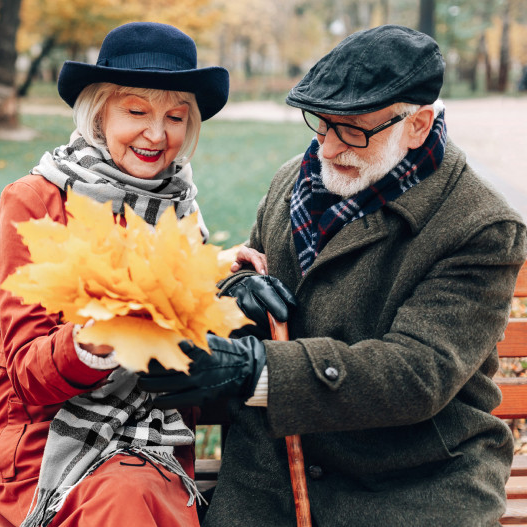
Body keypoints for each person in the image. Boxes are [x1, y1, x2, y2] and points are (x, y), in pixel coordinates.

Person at [139, 25, 527, 525]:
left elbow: (418, 372)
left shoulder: (480, 226)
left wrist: (257, 372)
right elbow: (242, 269)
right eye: (321, 124)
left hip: (413, 479)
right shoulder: (293, 182)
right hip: (272, 471)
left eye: (352, 130)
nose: (327, 149)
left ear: (418, 125)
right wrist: (240, 292)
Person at [0, 22, 230, 527]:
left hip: (153, 439)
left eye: (176, 117)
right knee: (123, 498)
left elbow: (192, 350)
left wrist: (225, 281)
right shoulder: (34, 201)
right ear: (98, 112)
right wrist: (98, 340)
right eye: (136, 111)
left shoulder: (182, 209)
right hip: (42, 445)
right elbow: (27, 375)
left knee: (133, 491)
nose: (157, 134)